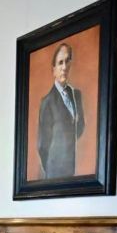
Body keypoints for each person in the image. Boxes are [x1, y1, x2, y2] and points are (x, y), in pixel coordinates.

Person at [37, 42, 85, 179]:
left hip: (71, 169)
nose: (64, 67)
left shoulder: (76, 95)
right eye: (60, 63)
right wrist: (52, 166)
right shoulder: (47, 102)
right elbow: (42, 146)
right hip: (54, 172)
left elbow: (80, 127)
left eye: (67, 61)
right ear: (53, 69)